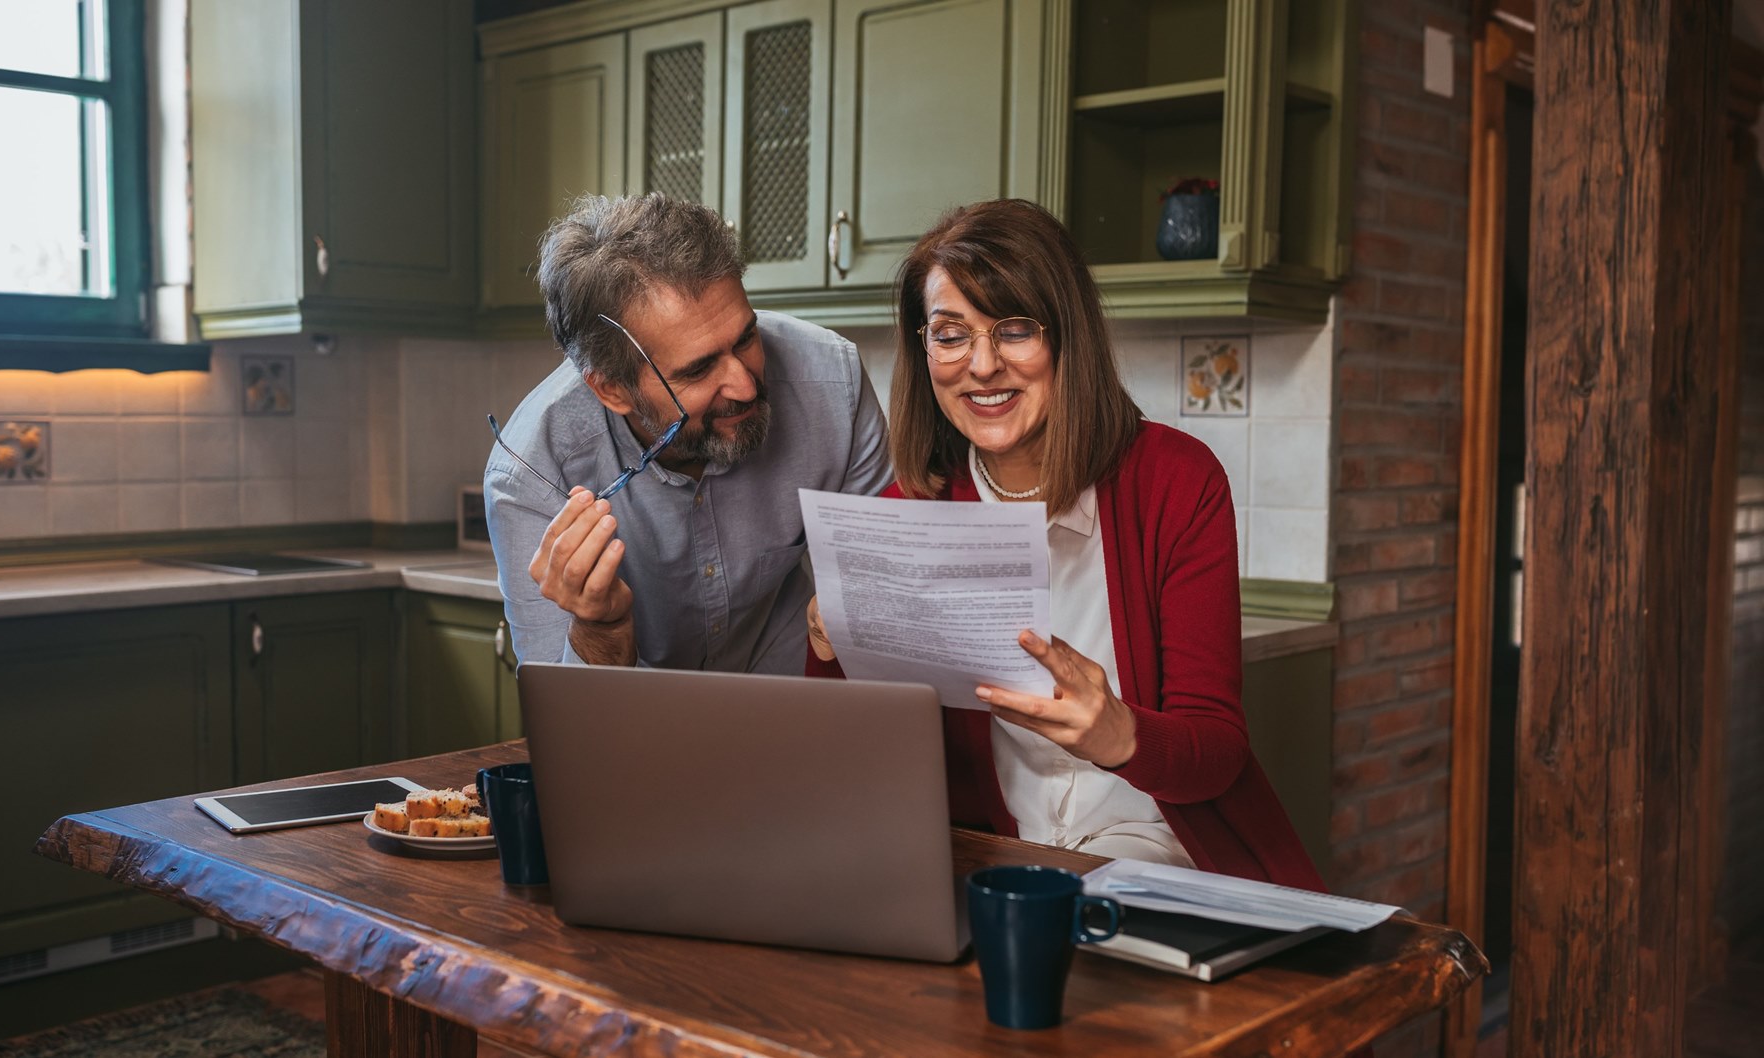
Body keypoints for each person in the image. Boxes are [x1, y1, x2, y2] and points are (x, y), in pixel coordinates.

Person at [806, 199, 1323, 891]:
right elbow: (852, 761)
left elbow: (1217, 751)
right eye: (951, 335)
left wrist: (1119, 733)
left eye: (1015, 329)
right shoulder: (907, 514)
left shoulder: (1176, 480)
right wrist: (828, 644)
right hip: (995, 865)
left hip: (1161, 855)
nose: (982, 365)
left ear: (1066, 335)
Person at [484, 192, 892, 673]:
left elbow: (884, 597)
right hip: (639, 717)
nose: (745, 386)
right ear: (612, 389)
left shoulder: (835, 384)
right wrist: (601, 629)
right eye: (698, 370)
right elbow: (569, 709)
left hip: (797, 696)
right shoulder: (531, 475)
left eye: (746, 338)